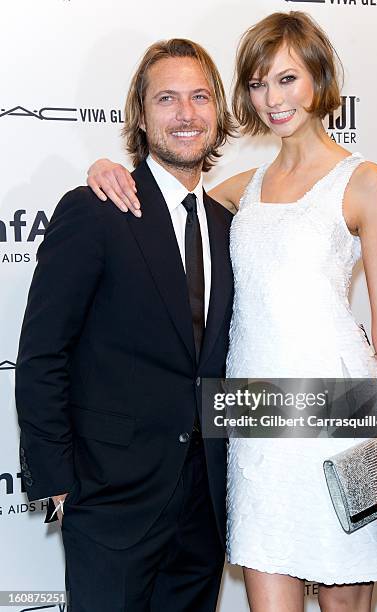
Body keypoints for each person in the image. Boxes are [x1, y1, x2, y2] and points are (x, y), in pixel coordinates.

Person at [86, 11, 377, 612]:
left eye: (287, 79)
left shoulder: (365, 182)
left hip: (341, 413)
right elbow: (165, 199)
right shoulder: (241, 189)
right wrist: (105, 170)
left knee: (346, 601)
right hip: (254, 422)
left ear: (319, 79)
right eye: (258, 83)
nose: (273, 99)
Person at [15, 38, 236, 612]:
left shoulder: (231, 225)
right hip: (110, 500)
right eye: (167, 98)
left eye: (200, 97)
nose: (186, 114)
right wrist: (57, 482)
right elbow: (42, 353)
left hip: (204, 510)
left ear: (219, 111)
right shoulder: (94, 210)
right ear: (141, 114)